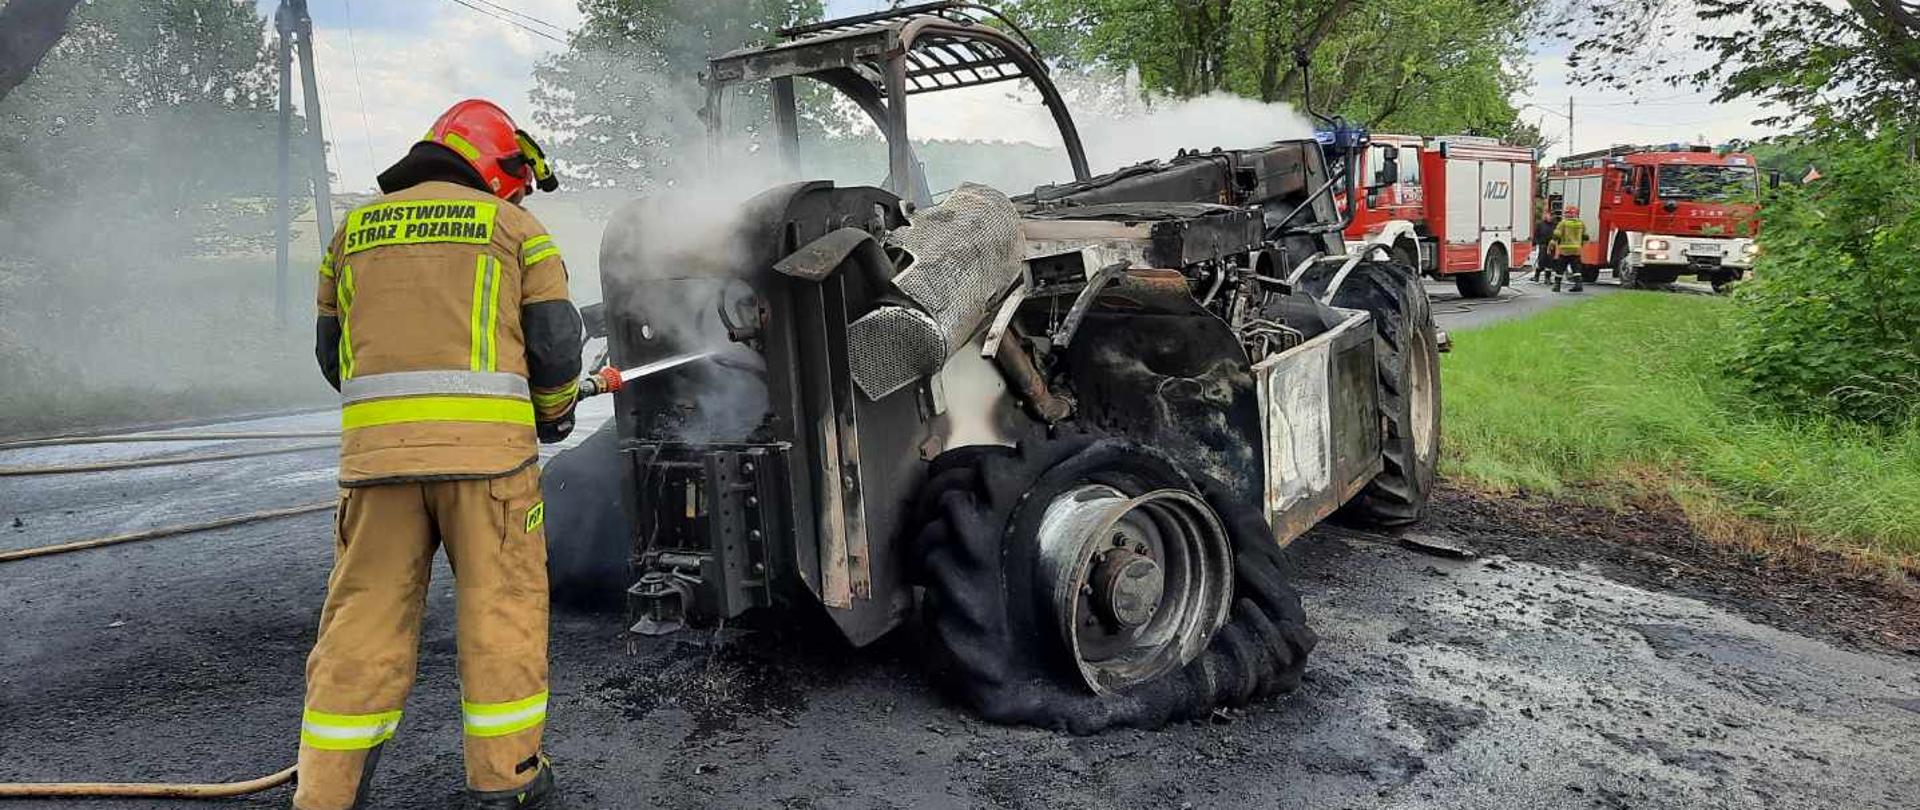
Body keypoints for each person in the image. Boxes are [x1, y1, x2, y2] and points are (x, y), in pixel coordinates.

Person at [295, 99, 581, 810]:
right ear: (494, 164)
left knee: (361, 621)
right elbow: (554, 347)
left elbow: (336, 359)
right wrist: (554, 416)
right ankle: (504, 782)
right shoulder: (517, 230)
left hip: (377, 470)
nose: (513, 193)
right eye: (512, 179)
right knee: (500, 615)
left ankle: (326, 794)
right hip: (492, 474)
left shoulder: (352, 232)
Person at [1551, 205, 1590, 292]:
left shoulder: (1563, 223)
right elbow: (1585, 236)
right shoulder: (1581, 223)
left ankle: (1557, 286)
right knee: (1576, 269)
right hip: (1576, 250)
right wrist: (1582, 245)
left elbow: (1557, 234)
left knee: (1560, 269)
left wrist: (1552, 243)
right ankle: (1578, 285)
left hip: (1565, 250)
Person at [1531, 204, 1561, 283]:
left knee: (1550, 262)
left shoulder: (1555, 225)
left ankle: (1547, 278)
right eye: (1549, 215)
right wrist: (1535, 243)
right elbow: (1536, 234)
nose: (1551, 217)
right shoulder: (1540, 224)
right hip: (1543, 245)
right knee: (1541, 261)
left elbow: (1557, 235)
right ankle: (1536, 276)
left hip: (1551, 245)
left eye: (1552, 215)